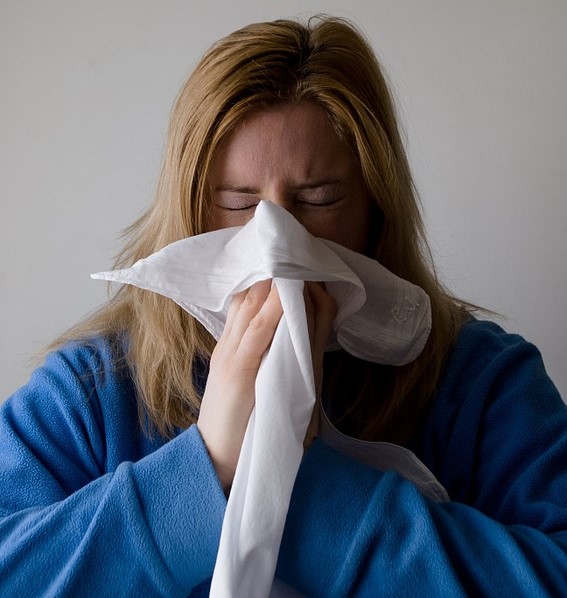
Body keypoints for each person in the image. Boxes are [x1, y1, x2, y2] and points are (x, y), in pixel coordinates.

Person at [1, 15, 566, 597]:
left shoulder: (481, 383)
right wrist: (210, 469)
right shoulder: (93, 394)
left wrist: (291, 481)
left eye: (318, 200)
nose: (276, 241)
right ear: (190, 208)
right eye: (239, 203)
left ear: (375, 207)